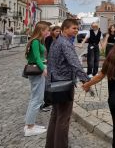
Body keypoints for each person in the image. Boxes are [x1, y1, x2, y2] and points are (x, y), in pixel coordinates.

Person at [45, 19, 90, 148]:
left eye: (77, 28)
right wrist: (86, 80)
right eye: (74, 28)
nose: (76, 30)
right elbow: (75, 63)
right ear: (65, 29)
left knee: (55, 116)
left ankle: (50, 145)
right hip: (63, 84)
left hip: (53, 83)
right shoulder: (65, 43)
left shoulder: (57, 41)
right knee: (63, 119)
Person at [24, 22, 50, 137]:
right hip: (37, 72)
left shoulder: (37, 41)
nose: (48, 32)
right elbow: (36, 58)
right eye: (46, 30)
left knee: (34, 98)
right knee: (37, 99)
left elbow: (39, 57)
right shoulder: (35, 41)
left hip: (38, 70)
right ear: (41, 31)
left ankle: (30, 124)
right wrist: (43, 69)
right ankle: (30, 127)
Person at [41, 25, 61, 112]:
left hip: (57, 63)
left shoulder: (59, 38)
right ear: (52, 31)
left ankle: (53, 100)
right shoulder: (49, 38)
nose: (58, 32)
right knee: (48, 83)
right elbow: (48, 50)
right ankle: (47, 103)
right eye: (56, 31)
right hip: (50, 62)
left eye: (59, 31)